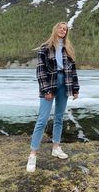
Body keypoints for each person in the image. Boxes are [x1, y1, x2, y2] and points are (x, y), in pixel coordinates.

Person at [26, 22, 80, 172]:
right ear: (55, 29)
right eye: (61, 28)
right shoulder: (45, 47)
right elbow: (40, 71)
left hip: (65, 83)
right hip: (50, 83)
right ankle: (33, 154)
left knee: (59, 118)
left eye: (65, 29)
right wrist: (46, 90)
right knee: (42, 119)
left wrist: (75, 89)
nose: (63, 30)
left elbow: (73, 71)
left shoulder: (68, 49)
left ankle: (56, 147)